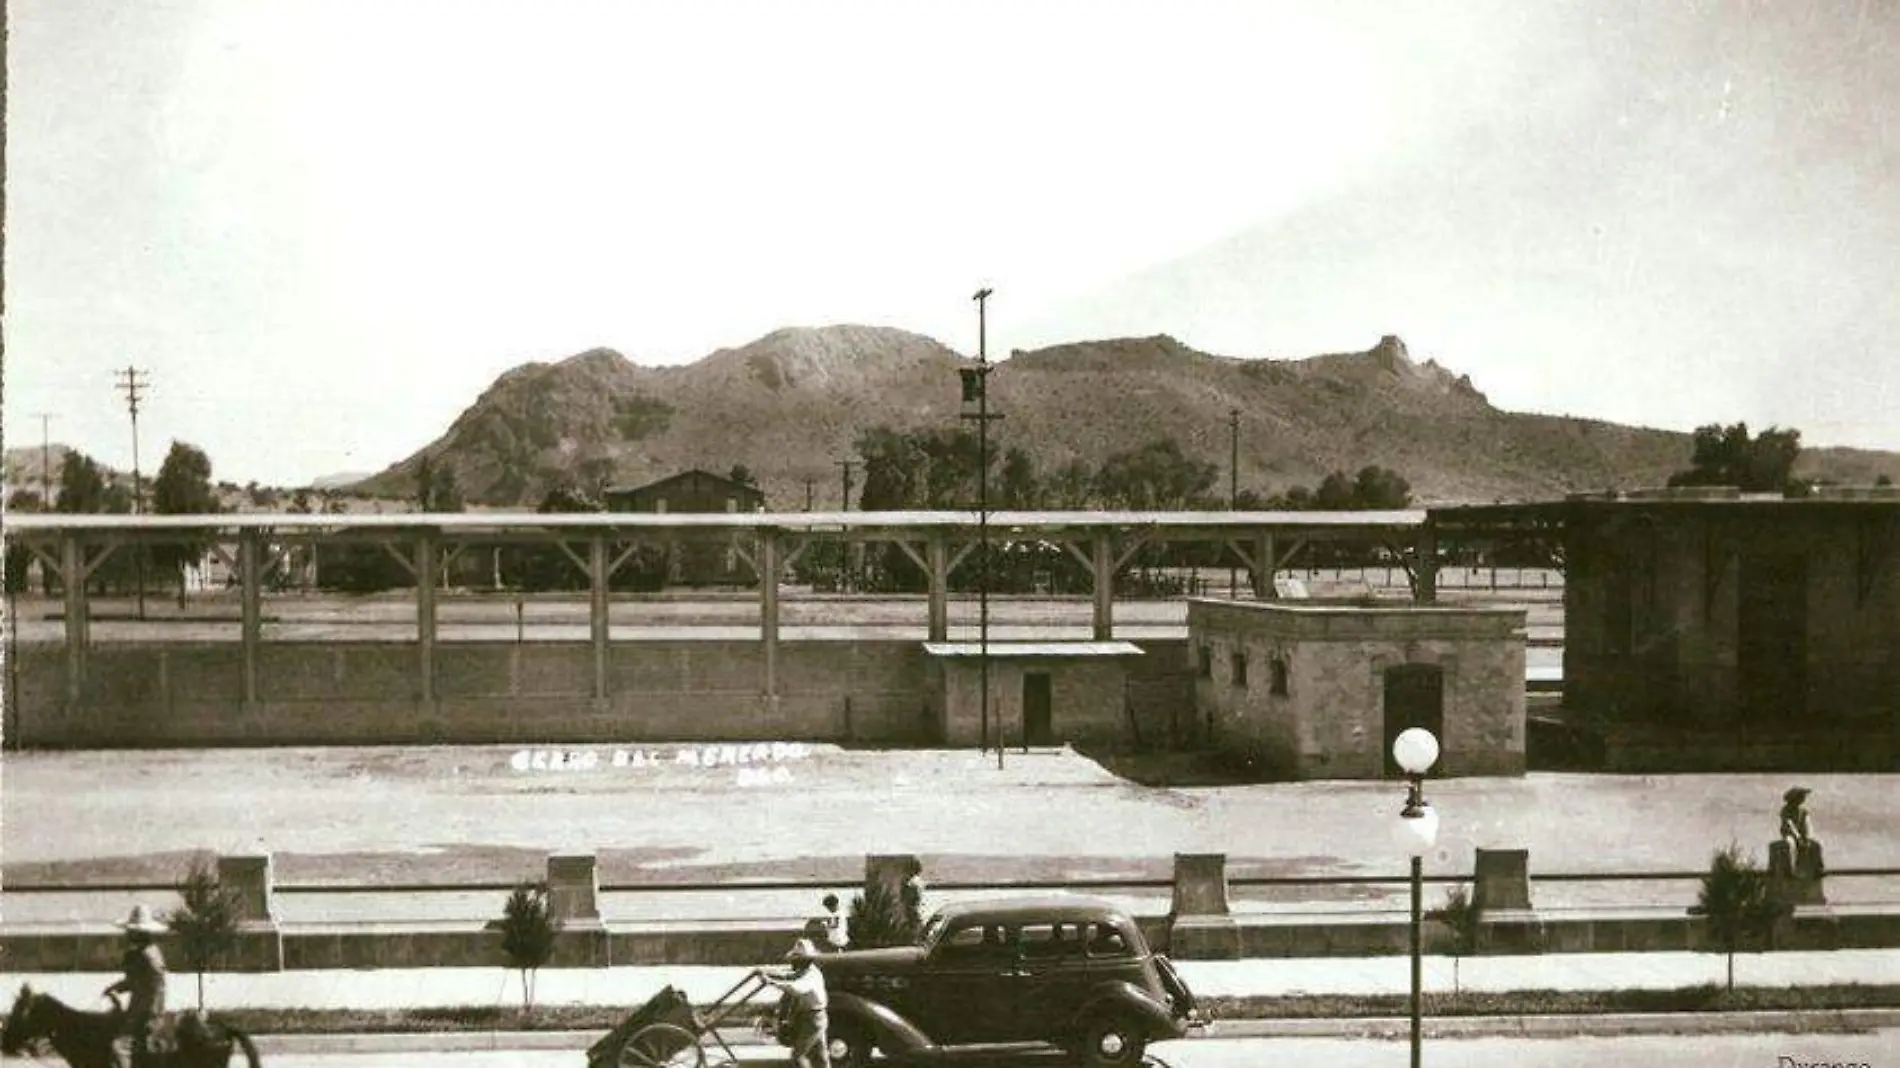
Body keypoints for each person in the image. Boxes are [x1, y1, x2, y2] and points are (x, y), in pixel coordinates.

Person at [103, 904, 169, 1068]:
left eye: (131, 931)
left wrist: (150, 1015)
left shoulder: (147, 956)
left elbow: (157, 985)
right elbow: (136, 980)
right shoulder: (144, 952)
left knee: (118, 1048)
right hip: (141, 1011)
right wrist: (115, 988)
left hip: (145, 1014)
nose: (128, 934)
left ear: (140, 933)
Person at [763, 938, 829, 1068]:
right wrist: (770, 974)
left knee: (798, 1055)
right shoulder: (804, 972)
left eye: (796, 960)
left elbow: (795, 988)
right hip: (812, 1016)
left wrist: (772, 982)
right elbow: (789, 976)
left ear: (803, 961)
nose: (793, 963)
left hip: (814, 1018)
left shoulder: (811, 976)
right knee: (820, 1056)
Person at [1780, 786, 1824, 876]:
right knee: (1790, 844)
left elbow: (1807, 825)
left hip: (1802, 835)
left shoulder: (1803, 811)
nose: (1803, 798)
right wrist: (1798, 837)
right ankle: (1790, 870)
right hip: (1789, 834)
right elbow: (1789, 825)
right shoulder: (1785, 810)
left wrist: (1807, 838)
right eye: (1801, 796)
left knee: (1816, 845)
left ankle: (1819, 869)